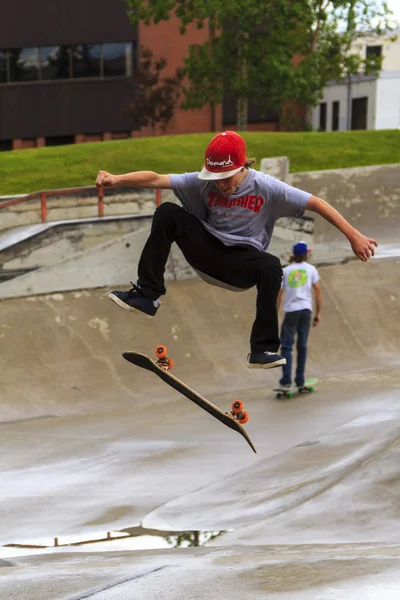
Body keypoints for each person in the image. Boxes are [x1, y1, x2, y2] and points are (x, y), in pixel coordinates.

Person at [95, 131, 377, 369]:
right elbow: (156, 179)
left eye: (226, 179)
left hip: (241, 265)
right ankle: (148, 295)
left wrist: (354, 236)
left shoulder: (268, 188)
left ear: (242, 167)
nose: (220, 185)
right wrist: (116, 179)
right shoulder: (203, 182)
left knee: (271, 265)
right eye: (215, 179)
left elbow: (317, 203)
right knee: (168, 212)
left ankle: (262, 349)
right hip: (206, 253)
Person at [276, 242, 321, 390]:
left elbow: (279, 293)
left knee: (287, 347)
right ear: (305, 254)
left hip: (291, 311)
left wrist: (274, 312)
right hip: (306, 310)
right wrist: (318, 313)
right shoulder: (311, 269)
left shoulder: (286, 270)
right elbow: (318, 291)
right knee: (302, 345)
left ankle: (286, 380)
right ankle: (300, 379)